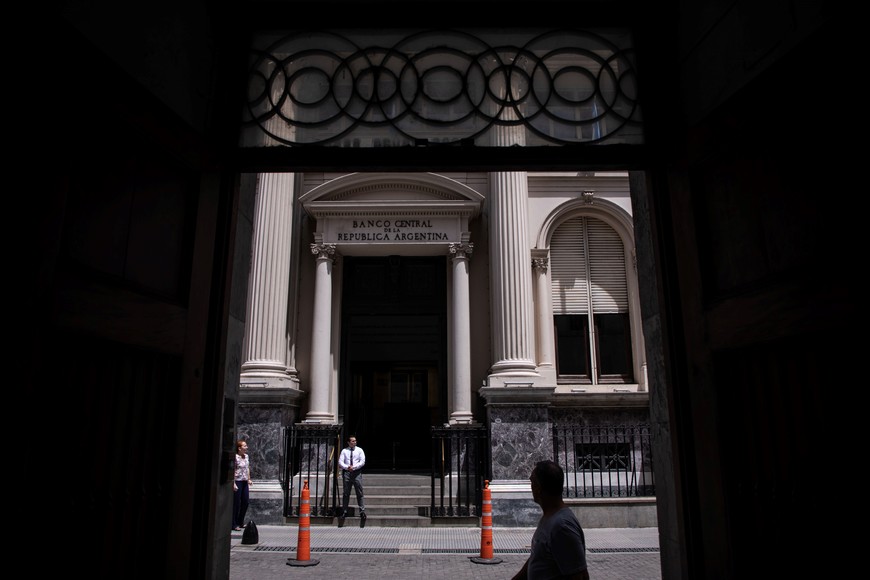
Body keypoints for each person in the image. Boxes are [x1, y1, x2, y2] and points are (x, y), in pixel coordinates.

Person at [511, 460, 589, 580]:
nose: (530, 488)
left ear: (539, 489)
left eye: (532, 483)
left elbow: (579, 575)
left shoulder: (562, 526)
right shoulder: (550, 517)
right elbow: (538, 556)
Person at [337, 435, 366, 527]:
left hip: (356, 472)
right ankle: (344, 511)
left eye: (355, 441)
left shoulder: (359, 450)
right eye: (353, 441)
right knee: (346, 492)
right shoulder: (344, 451)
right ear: (348, 442)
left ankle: (362, 510)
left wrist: (354, 467)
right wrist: (347, 467)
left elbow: (362, 461)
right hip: (347, 473)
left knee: (359, 492)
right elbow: (340, 462)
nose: (354, 442)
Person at [232, 440, 253, 531]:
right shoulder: (235, 457)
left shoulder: (246, 456)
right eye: (245, 446)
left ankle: (240, 521)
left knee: (245, 501)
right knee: (236, 503)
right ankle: (234, 523)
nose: (246, 447)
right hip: (238, 481)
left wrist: (249, 479)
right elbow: (233, 469)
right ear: (239, 448)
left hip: (244, 481)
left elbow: (247, 468)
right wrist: (233, 482)